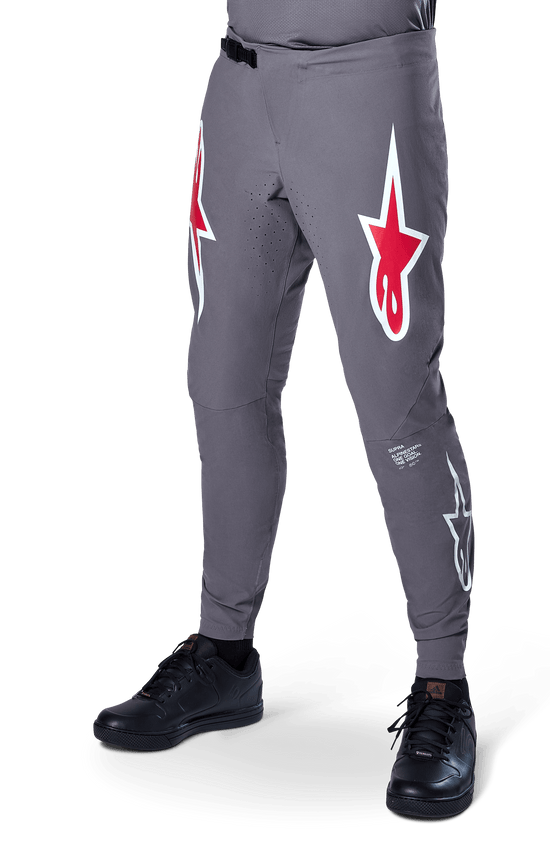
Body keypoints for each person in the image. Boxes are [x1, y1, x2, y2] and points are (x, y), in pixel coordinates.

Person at [93, 0, 477, 819]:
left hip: (368, 86)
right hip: (241, 84)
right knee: (222, 382)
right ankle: (223, 651)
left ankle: (443, 682)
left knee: (396, 401)